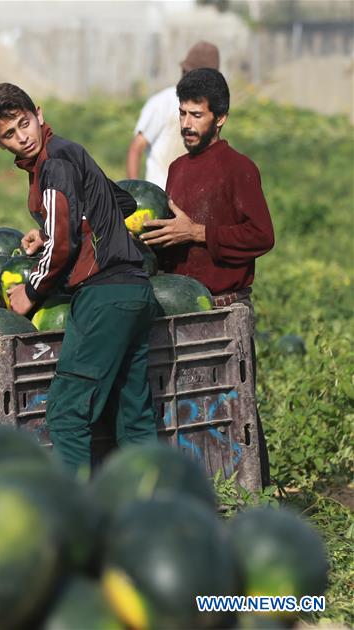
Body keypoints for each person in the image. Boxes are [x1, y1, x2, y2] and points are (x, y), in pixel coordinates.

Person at [0, 83, 159, 473]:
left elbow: (62, 250)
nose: (21, 137)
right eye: (9, 134)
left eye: (23, 123)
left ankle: (76, 519)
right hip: (136, 291)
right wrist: (51, 230)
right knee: (133, 415)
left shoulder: (54, 164)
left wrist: (30, 291)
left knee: (66, 413)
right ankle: (154, 511)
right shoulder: (68, 154)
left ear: (39, 115)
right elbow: (123, 201)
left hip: (103, 297)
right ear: (0, 144)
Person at [140, 68, 275, 485]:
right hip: (181, 309)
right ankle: (201, 491)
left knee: (237, 406)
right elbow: (172, 231)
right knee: (185, 408)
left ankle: (257, 489)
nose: (186, 124)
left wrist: (196, 232)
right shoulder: (177, 168)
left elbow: (261, 235)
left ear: (220, 118)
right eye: (182, 114)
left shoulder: (239, 169)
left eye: (196, 115)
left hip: (225, 310)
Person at [125, 41, 220, 189]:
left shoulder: (211, 108)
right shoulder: (163, 103)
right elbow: (136, 148)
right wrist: (134, 193)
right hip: (161, 197)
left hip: (193, 198)